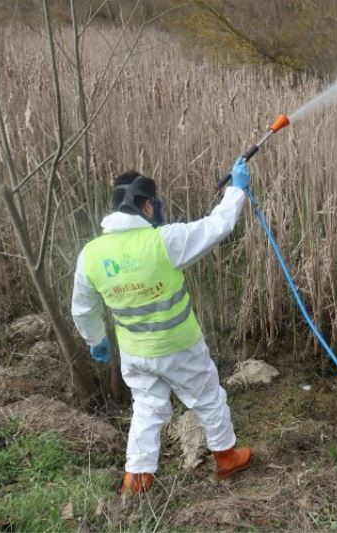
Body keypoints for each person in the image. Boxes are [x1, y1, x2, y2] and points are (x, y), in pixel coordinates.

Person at [71, 158, 253, 494]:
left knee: (147, 408)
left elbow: (82, 309)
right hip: (179, 346)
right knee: (207, 397)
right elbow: (217, 226)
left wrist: (95, 340)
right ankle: (227, 458)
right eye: (154, 204)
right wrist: (237, 190)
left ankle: (137, 480)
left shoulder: (91, 254)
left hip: (135, 353)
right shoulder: (164, 242)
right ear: (146, 204)